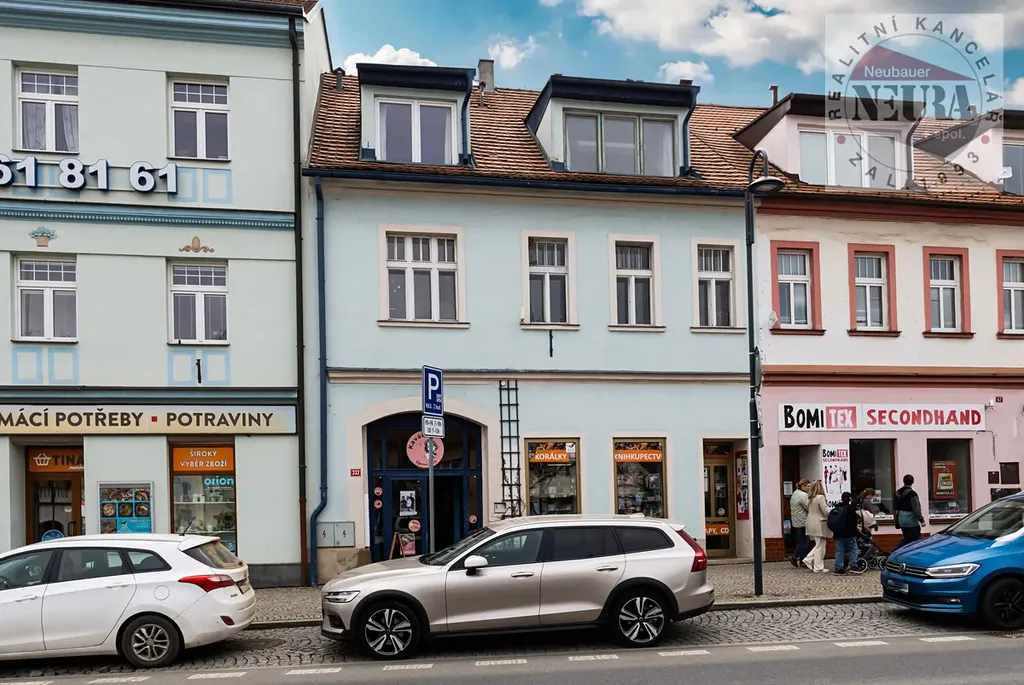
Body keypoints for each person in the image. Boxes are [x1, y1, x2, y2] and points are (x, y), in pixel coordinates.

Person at [832, 491, 862, 575]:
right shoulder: (851, 509)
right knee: (853, 549)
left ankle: (838, 568)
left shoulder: (836, 508)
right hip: (849, 534)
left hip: (838, 534)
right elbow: (853, 523)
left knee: (839, 551)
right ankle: (853, 566)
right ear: (849, 499)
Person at [803, 480, 830, 573]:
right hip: (820, 523)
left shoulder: (810, 498)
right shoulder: (820, 497)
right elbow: (825, 511)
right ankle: (818, 567)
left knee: (819, 544)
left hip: (811, 522)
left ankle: (809, 559)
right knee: (820, 546)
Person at [893, 474, 925, 548]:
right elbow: (916, 508)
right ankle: (895, 551)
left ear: (903, 481)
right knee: (915, 542)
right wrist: (921, 520)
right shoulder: (912, 494)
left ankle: (895, 551)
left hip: (901, 520)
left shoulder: (897, 492)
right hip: (911, 521)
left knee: (907, 539)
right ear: (912, 482)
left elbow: (895, 507)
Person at [789, 479, 811, 567]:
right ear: (803, 486)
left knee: (801, 540)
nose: (809, 488)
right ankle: (795, 556)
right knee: (804, 541)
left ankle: (802, 559)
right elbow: (808, 507)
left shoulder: (795, 493)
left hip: (796, 521)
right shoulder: (803, 495)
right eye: (808, 486)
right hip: (803, 521)